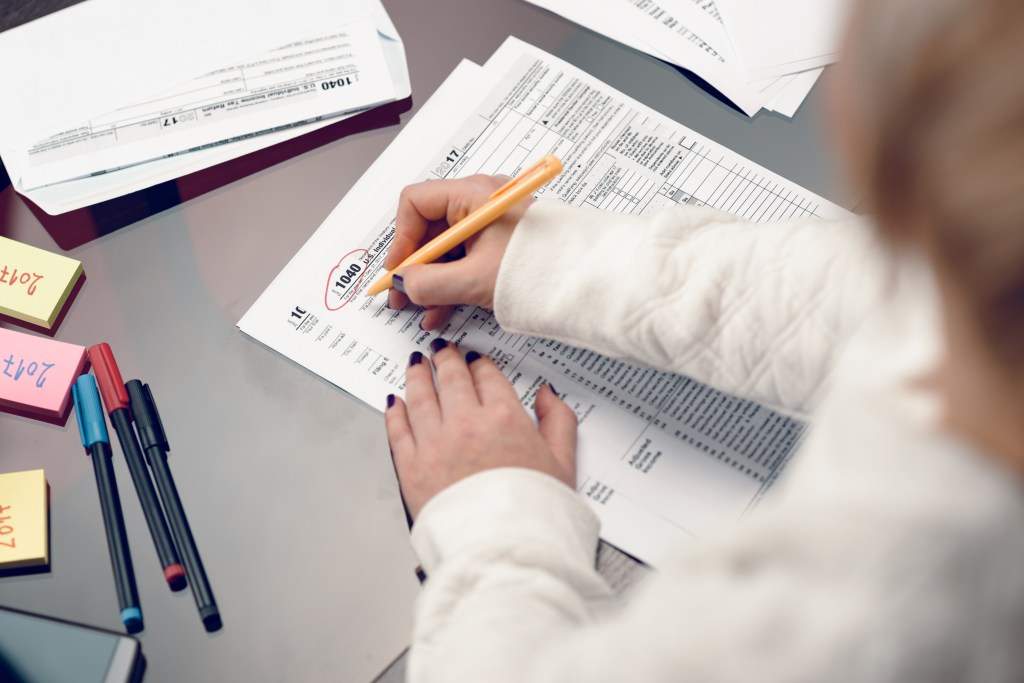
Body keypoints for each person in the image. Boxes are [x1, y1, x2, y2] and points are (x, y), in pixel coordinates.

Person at [382, 0, 1024, 679]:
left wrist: (497, 521)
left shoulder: (916, 581)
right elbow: (904, 293)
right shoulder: (983, 300)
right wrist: (558, 262)